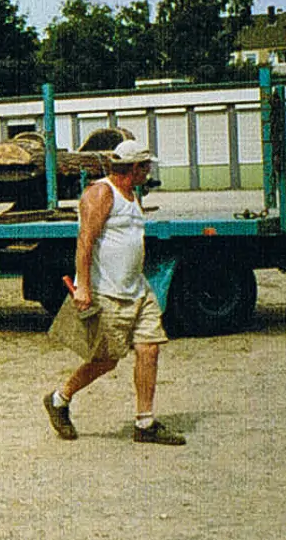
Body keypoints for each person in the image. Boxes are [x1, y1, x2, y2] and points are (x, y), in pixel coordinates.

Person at [43, 139, 184, 445]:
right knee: (105, 361)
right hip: (108, 292)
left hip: (138, 289)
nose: (148, 172)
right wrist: (83, 287)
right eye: (145, 166)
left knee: (149, 348)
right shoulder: (101, 193)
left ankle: (145, 423)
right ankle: (59, 399)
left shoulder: (132, 195)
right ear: (133, 168)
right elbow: (85, 241)